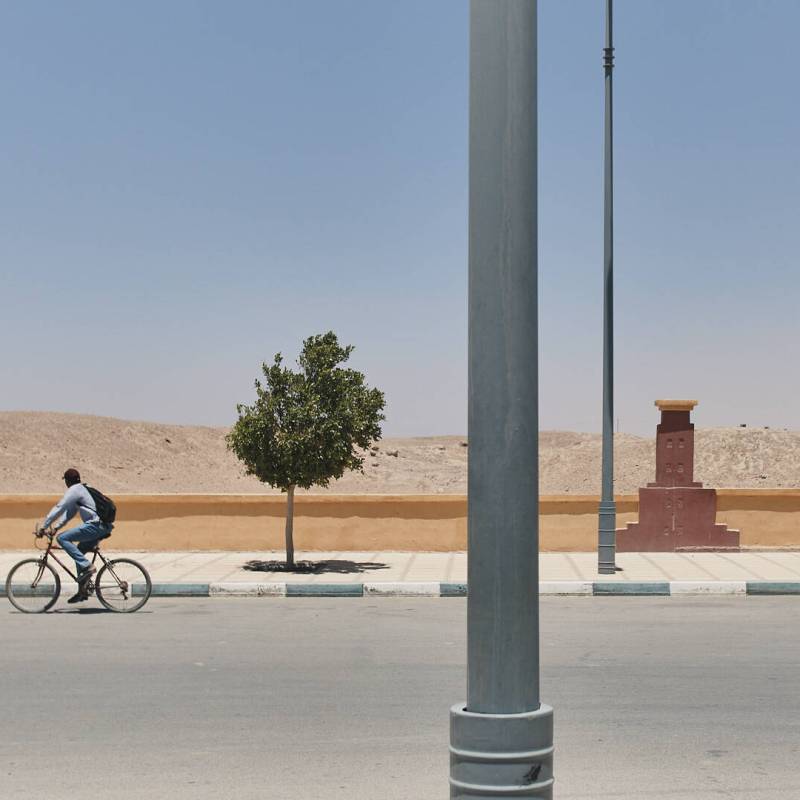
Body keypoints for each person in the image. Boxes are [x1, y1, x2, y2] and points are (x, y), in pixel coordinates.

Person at [39, 468, 114, 603]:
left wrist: (44, 526)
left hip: (96, 525)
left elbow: (59, 507)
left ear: (67, 481)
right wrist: (55, 527)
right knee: (78, 552)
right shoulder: (83, 488)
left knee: (62, 538)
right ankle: (82, 591)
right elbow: (69, 513)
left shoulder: (74, 490)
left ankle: (87, 566)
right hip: (103, 526)